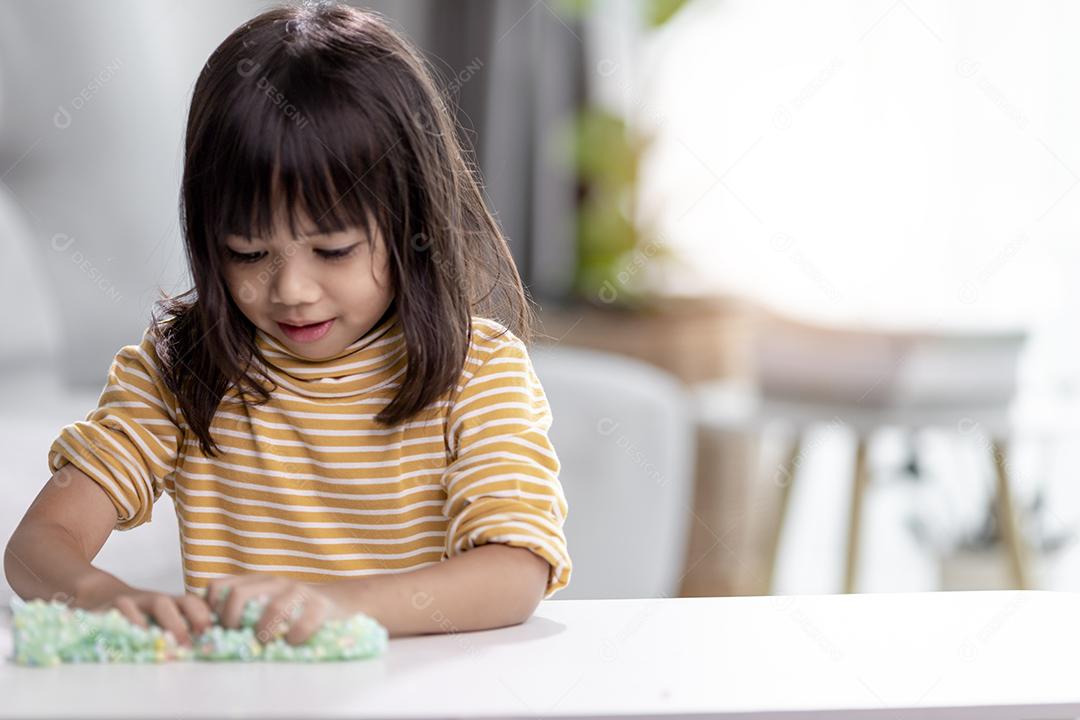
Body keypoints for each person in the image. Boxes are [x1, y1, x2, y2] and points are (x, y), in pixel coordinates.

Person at [4, 1, 570, 647]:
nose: (291, 292)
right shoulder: (181, 370)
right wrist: (101, 596)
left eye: (334, 250)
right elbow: (37, 544)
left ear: (412, 224)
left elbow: (516, 570)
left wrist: (334, 606)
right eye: (248, 253)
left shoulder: (478, 372)